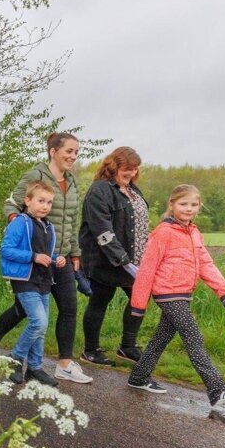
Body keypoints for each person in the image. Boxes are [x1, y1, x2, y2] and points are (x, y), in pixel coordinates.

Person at [0, 132, 92, 384]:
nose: (73, 156)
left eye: (76, 152)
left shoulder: (72, 182)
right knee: (25, 311)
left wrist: (74, 253)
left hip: (58, 257)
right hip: (31, 258)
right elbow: (12, 203)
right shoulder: (35, 176)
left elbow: (71, 221)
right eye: (69, 151)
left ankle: (63, 364)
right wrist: (18, 225)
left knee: (68, 308)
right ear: (53, 151)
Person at [127, 185, 225, 406]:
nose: (189, 209)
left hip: (183, 293)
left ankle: (138, 377)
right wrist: (138, 304)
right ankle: (217, 389)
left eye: (193, 204)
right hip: (167, 293)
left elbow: (205, 264)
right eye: (183, 204)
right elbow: (147, 269)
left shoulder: (193, 233)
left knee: (161, 338)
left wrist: (224, 291)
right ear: (171, 205)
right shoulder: (163, 233)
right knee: (194, 337)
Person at [78, 147, 150, 366]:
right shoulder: (99, 190)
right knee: (100, 301)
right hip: (105, 260)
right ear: (114, 166)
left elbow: (140, 224)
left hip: (135, 259)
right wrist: (124, 262)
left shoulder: (133, 190)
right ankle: (90, 350)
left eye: (135, 169)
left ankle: (127, 347)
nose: (131, 173)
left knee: (140, 300)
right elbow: (103, 231)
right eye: (127, 169)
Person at [0, 181, 61, 386]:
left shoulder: (47, 225)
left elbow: (45, 253)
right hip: (25, 280)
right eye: (41, 201)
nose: (45, 206)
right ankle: (14, 358)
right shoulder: (20, 222)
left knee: (41, 327)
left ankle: (34, 368)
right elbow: (6, 249)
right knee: (39, 322)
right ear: (27, 201)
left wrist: (56, 258)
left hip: (43, 280)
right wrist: (33, 257)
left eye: (49, 202)